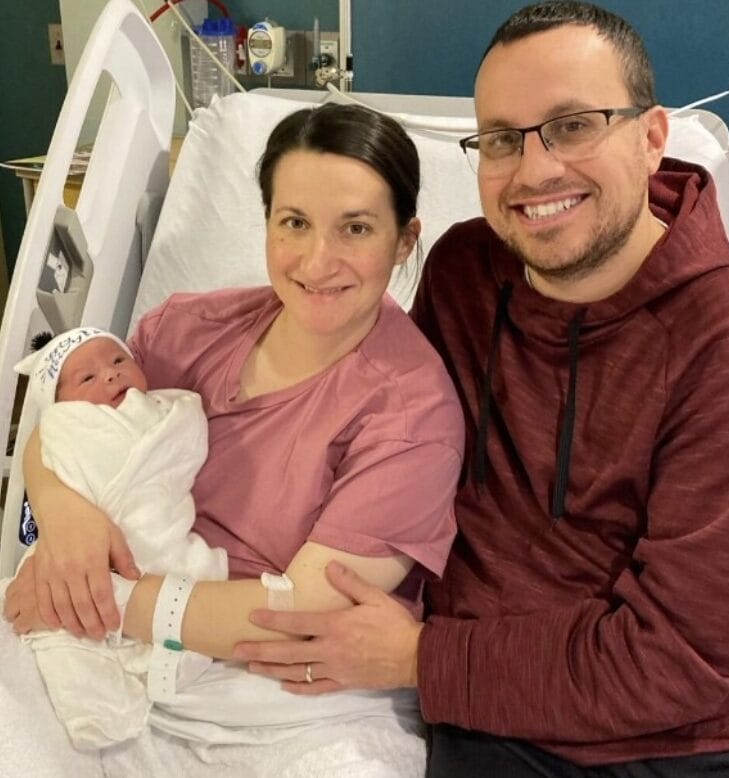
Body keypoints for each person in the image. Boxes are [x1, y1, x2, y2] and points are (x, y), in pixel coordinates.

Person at [223, 3, 729, 777]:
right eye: (503, 140)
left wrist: (419, 657)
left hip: (676, 740)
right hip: (485, 717)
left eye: (573, 126)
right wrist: (70, 472)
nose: (536, 170)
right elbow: (353, 418)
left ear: (652, 139)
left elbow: (680, 659)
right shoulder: (465, 273)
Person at [2, 103, 464, 774]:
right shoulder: (187, 330)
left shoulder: (413, 415)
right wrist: (61, 511)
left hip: (293, 700)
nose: (318, 261)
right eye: (294, 222)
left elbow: (303, 613)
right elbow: (71, 424)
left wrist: (100, 597)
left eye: (356, 228)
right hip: (117, 654)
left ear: (403, 240)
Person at [6, 326, 227, 750]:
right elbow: (52, 440)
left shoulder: (168, 409)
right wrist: (59, 505)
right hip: (90, 546)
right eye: (87, 378)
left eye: (118, 361)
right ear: (61, 404)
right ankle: (94, 708)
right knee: (62, 631)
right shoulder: (70, 425)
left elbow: (181, 448)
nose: (110, 374)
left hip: (162, 536)